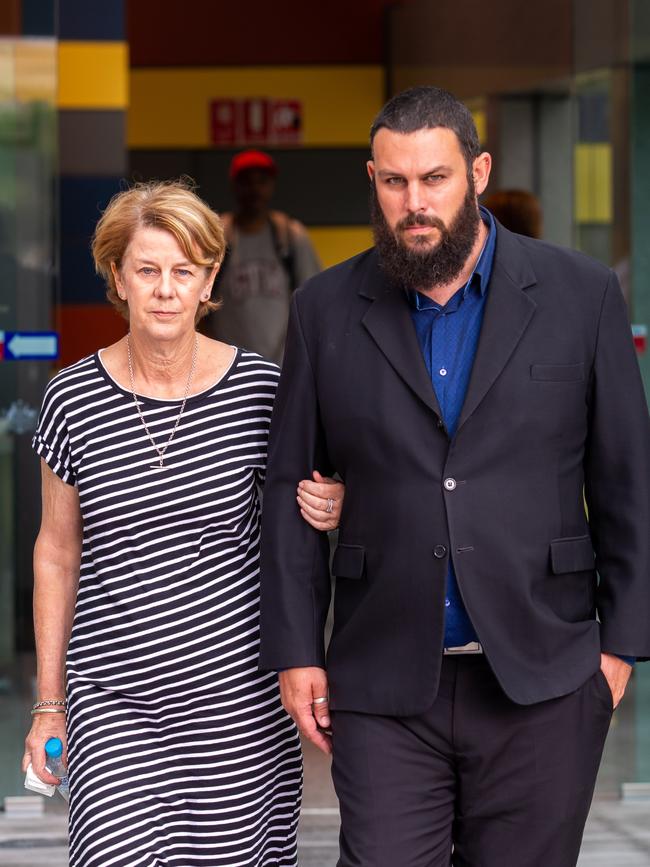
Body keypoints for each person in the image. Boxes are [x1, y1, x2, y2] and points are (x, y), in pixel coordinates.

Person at [258, 86, 650, 866]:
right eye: (395, 181)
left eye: (434, 178)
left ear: (477, 171)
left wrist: (620, 651)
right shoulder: (323, 309)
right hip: (383, 679)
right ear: (372, 178)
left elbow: (627, 482)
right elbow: (287, 487)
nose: (415, 204)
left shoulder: (581, 296)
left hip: (545, 674)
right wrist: (299, 649)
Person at [22, 180, 344, 867]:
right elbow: (56, 552)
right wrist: (50, 702)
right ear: (117, 277)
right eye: (148, 269)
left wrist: (335, 503)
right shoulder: (72, 399)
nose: (166, 289)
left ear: (208, 281)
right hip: (114, 702)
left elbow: (304, 520)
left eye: (184, 271)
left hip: (239, 706)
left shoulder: (263, 391)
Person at [205, 149, 321, 364]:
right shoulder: (217, 236)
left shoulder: (290, 236)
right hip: (228, 367)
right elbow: (199, 304)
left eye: (262, 181)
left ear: (272, 185)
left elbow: (315, 302)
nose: (254, 189)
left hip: (284, 366)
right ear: (234, 186)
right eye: (246, 182)